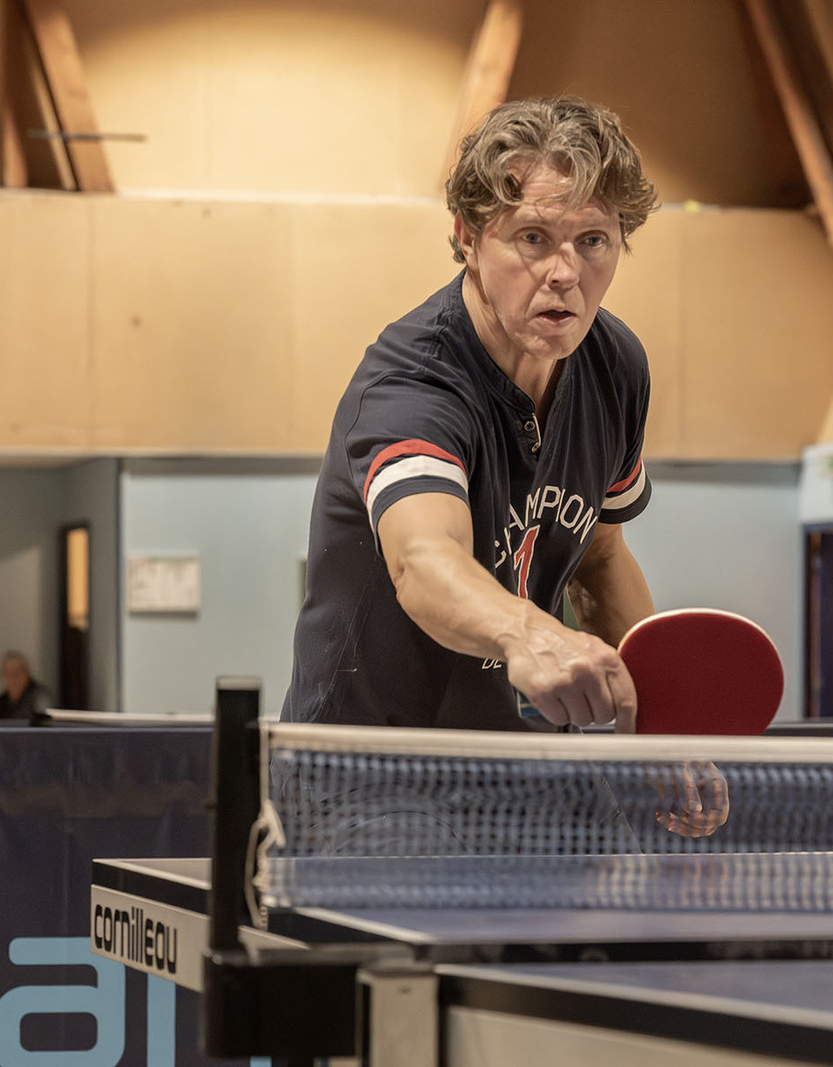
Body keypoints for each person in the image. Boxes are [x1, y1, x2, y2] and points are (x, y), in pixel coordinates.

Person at [281, 96, 722, 835]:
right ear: (467, 236)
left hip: (521, 767)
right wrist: (529, 633)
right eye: (533, 238)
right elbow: (424, 560)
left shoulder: (614, 366)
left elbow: (601, 556)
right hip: (371, 774)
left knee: (620, 902)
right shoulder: (411, 386)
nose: (565, 272)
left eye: (593, 240)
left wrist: (658, 720)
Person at [0, 650, 53, 720]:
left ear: (27, 674)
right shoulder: (0, 703)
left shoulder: (39, 697)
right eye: (9, 674)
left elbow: (44, 721)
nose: (13, 678)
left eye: (17, 673)